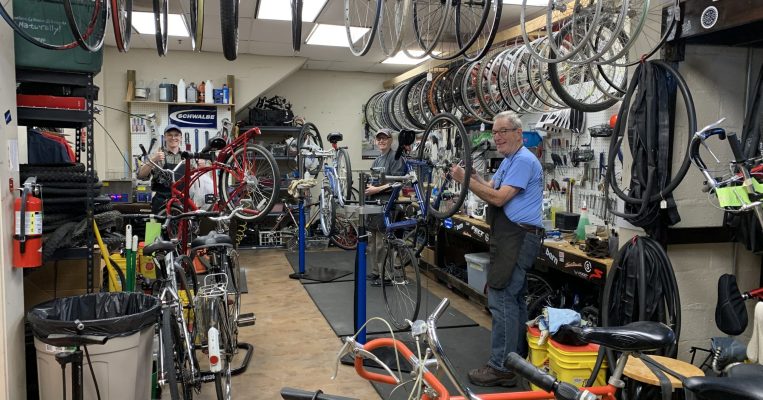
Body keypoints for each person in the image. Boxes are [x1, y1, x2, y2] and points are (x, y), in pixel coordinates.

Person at [450, 111, 544, 387]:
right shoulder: (509, 161)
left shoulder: (524, 160)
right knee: (512, 299)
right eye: (494, 132)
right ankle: (516, 361)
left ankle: (501, 367)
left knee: (501, 298)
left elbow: (499, 198)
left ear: (518, 133)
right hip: (509, 236)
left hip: (517, 237)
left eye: (503, 131)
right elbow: (491, 186)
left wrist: (465, 181)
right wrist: (473, 176)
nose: (497, 137)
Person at [365, 128, 406, 286]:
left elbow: (398, 181)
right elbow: (374, 179)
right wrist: (368, 188)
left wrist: (377, 189)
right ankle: (376, 272)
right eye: (379, 139)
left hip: (387, 204)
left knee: (383, 242)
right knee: (373, 241)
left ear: (391, 140)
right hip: (375, 203)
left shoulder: (396, 158)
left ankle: (387, 275)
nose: (381, 141)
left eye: (385, 138)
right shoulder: (377, 160)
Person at [137, 124, 186, 214]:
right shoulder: (156, 155)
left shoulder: (187, 157)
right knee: (156, 227)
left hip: (182, 202)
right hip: (160, 203)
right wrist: (153, 160)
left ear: (181, 138)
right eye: (170, 135)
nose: (173, 137)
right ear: (165, 137)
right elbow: (140, 175)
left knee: (182, 227)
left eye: (176, 135)